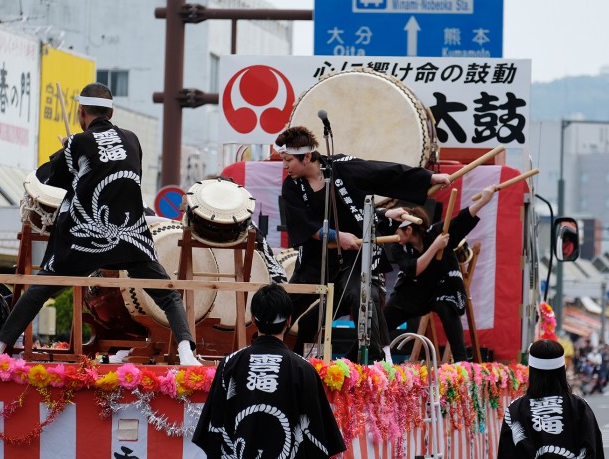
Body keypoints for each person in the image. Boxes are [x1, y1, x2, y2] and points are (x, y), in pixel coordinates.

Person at [0, 83, 200, 365]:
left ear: (81, 111)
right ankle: (186, 354)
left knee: (40, 288)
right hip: (130, 236)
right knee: (167, 295)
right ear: (110, 112)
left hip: (85, 238)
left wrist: (65, 151)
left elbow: (52, 180)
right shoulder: (132, 139)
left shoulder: (77, 143)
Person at [276, 125, 450, 362]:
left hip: (352, 258)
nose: (285, 166)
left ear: (307, 156)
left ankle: (370, 360)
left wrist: (428, 177)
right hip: (316, 260)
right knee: (285, 307)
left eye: (288, 160)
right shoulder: (292, 186)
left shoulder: (340, 167)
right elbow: (306, 225)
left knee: (362, 295)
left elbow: (380, 171)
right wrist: (339, 236)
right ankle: (273, 354)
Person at [192, 283, 346, 458]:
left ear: (253, 318)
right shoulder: (303, 369)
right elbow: (317, 439)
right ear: (288, 320)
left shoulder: (230, 364)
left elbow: (214, 431)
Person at [383, 185, 495, 362]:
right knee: (383, 321)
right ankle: (356, 359)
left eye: (397, 229)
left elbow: (461, 220)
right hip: (415, 291)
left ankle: (460, 360)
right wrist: (435, 246)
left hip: (443, 287)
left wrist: (483, 200)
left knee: (445, 305)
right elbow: (413, 269)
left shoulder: (437, 232)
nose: (394, 233)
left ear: (409, 230)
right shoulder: (398, 247)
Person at [498, 339, 604, 458]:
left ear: (532, 371)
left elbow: (507, 453)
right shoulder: (579, 406)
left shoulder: (515, 410)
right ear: (562, 371)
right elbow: (592, 449)